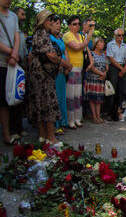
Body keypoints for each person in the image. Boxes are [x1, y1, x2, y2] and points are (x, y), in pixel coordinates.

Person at [27, 9, 71, 145]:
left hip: (40, 74)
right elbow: (50, 55)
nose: (52, 22)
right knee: (48, 104)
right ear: (43, 21)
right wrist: (64, 63)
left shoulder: (40, 34)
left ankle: (42, 136)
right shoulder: (42, 34)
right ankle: (51, 137)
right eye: (50, 19)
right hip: (43, 76)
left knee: (41, 104)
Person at [63, 15, 93, 129]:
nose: (77, 26)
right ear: (69, 25)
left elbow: (85, 48)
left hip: (80, 68)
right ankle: (70, 120)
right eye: (74, 24)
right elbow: (77, 47)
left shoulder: (80, 36)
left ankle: (77, 118)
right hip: (71, 67)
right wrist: (89, 35)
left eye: (78, 24)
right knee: (70, 95)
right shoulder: (67, 35)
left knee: (77, 95)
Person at [0, 0, 20, 145]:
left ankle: (10, 133)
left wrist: (15, 53)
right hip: (1, 61)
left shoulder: (13, 16)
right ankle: (6, 134)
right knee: (1, 100)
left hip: (12, 63)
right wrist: (10, 52)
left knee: (8, 99)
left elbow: (17, 36)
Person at [9, 7, 28, 141]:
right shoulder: (10, 31)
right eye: (22, 15)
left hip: (21, 67)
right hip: (11, 65)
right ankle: (12, 129)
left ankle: (19, 127)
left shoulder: (21, 33)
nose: (24, 17)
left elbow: (25, 51)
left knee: (20, 97)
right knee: (11, 98)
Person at [50, 16, 71, 134]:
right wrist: (65, 64)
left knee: (62, 96)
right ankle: (55, 124)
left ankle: (62, 121)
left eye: (59, 23)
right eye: (56, 23)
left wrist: (68, 64)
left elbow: (65, 51)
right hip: (55, 70)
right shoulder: (49, 38)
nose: (58, 25)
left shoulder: (60, 38)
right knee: (55, 96)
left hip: (63, 70)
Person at [106, 28, 126, 121]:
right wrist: (121, 69)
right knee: (112, 91)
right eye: (119, 35)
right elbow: (111, 59)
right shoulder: (110, 44)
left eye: (122, 35)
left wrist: (124, 69)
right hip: (113, 68)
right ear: (115, 35)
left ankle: (120, 112)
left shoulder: (125, 46)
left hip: (123, 67)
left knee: (121, 91)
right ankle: (109, 113)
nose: (121, 37)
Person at [84, 37, 108, 123]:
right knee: (92, 98)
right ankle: (94, 117)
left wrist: (104, 73)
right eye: (100, 42)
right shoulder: (91, 53)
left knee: (99, 99)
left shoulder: (103, 54)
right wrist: (101, 73)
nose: (102, 44)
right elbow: (91, 67)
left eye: (103, 43)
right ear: (96, 44)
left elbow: (106, 66)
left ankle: (98, 116)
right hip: (92, 79)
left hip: (101, 80)